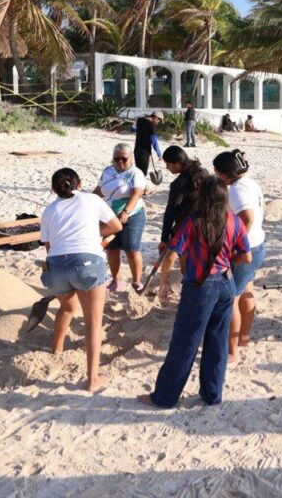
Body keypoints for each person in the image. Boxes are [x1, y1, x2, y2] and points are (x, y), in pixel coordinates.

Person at [145, 177, 252, 409]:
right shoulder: (234, 221)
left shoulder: (194, 221)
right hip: (226, 282)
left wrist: (163, 283)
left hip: (200, 286)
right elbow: (247, 256)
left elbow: (172, 254)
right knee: (218, 340)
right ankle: (212, 394)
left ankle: (164, 397)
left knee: (185, 342)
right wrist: (226, 259)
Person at [40, 168, 123, 392]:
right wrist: (95, 235)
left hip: (57, 266)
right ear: (79, 184)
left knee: (66, 308)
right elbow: (116, 226)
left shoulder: (49, 210)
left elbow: (49, 246)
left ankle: (57, 350)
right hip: (87, 262)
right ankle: (92, 379)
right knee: (93, 323)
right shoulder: (92, 200)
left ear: (54, 189)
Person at [213, 150, 266, 363]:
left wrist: (234, 246)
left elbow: (247, 218)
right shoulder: (249, 183)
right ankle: (244, 337)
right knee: (247, 290)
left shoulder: (236, 190)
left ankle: (232, 351)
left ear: (224, 173)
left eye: (216, 171)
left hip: (246, 249)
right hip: (258, 244)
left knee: (230, 299)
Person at [95, 143, 149, 293]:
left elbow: (136, 194)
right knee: (111, 248)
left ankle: (137, 281)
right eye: (116, 158)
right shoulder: (107, 171)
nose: (120, 162)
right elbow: (99, 190)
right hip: (109, 215)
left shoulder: (136, 173)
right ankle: (116, 280)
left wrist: (126, 212)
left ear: (131, 157)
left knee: (131, 248)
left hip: (132, 215)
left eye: (124, 159)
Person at [158, 146, 208, 258]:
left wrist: (164, 238)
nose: (167, 168)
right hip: (207, 220)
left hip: (188, 225)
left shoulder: (179, 184)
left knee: (184, 258)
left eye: (168, 164)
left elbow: (171, 211)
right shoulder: (204, 172)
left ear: (176, 163)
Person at [134, 111, 163, 176]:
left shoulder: (139, 120)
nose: (158, 123)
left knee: (138, 172)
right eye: (159, 121)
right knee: (143, 173)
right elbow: (154, 141)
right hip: (145, 152)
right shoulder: (151, 125)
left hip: (136, 151)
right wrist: (159, 154)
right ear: (156, 118)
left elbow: (132, 129)